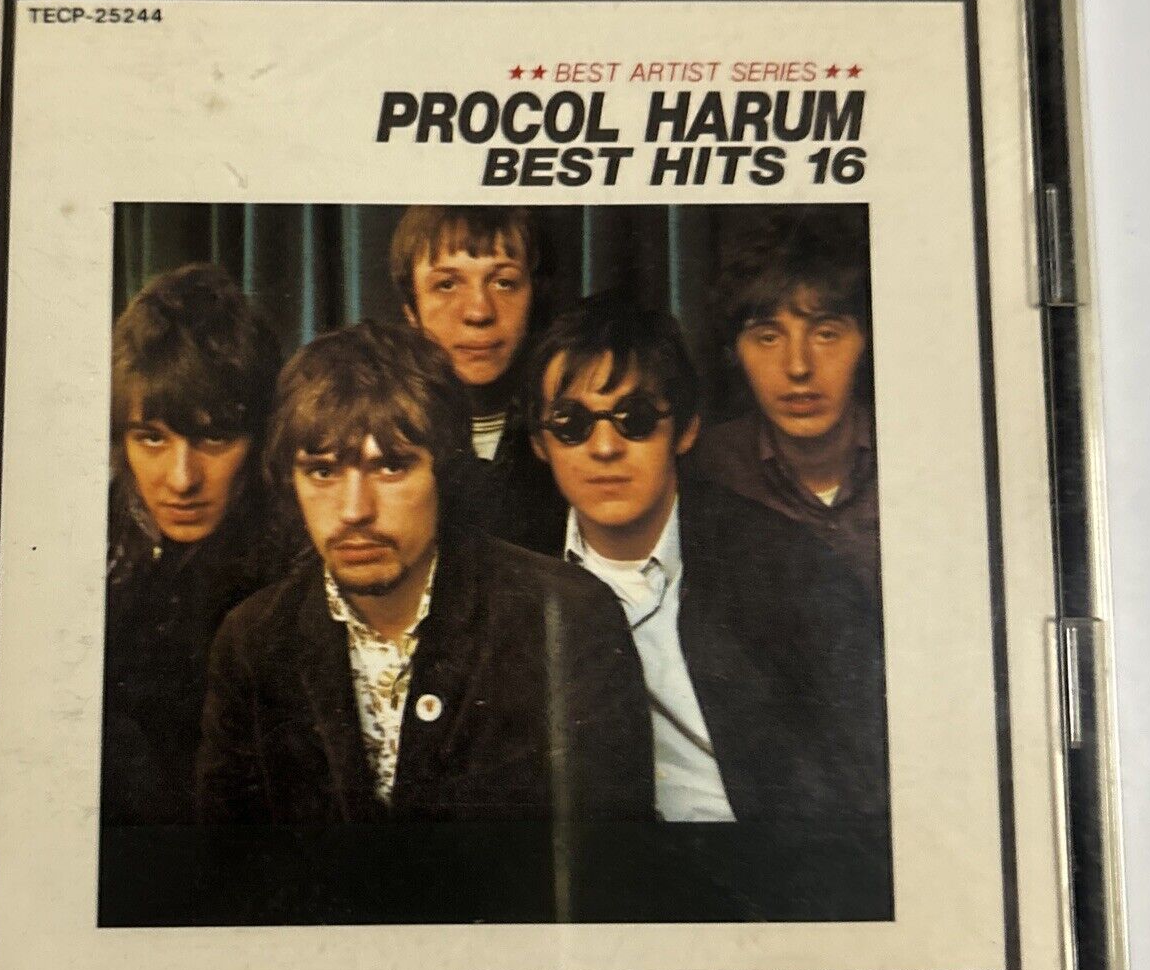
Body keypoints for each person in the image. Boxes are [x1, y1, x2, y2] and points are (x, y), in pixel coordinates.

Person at [196, 320, 654, 824]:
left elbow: (605, 854)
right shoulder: (251, 642)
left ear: (445, 473)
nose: (354, 511)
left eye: (391, 467)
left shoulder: (568, 617)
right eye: (323, 471)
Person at [527, 293, 888, 827]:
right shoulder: (512, 571)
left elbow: (855, 788)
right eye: (571, 423)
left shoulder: (786, 569)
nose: (604, 448)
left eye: (636, 419)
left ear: (687, 430)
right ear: (540, 443)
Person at [100, 263, 283, 827]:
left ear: (260, 439)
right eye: (151, 438)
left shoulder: (287, 580)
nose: (182, 479)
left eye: (214, 438)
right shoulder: (86, 537)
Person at [694, 215, 880, 592]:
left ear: (865, 342)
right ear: (734, 352)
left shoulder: (918, 452)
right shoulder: (707, 469)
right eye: (768, 337)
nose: (798, 367)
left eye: (826, 334)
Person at [390, 205, 565, 554]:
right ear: (411, 310)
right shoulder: (387, 433)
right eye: (447, 284)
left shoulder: (574, 435)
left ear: (535, 298)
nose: (479, 312)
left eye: (504, 282)